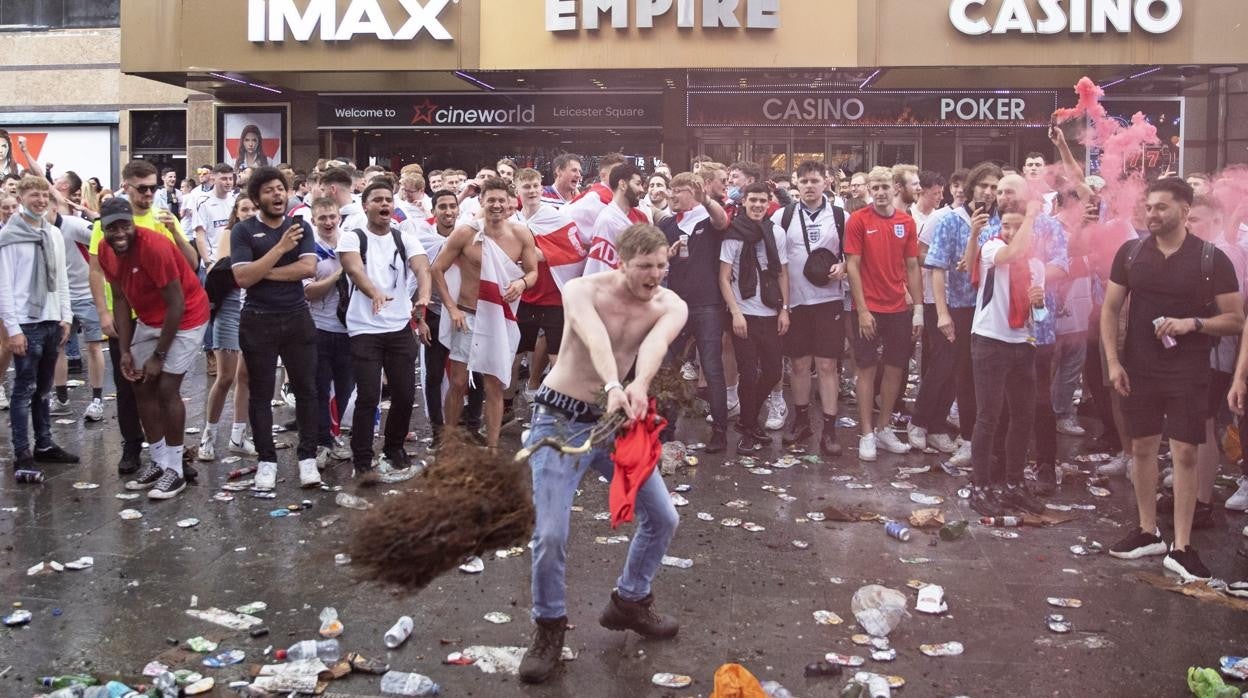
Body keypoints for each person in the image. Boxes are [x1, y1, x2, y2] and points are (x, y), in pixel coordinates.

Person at [518, 224, 687, 685]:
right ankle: (549, 627)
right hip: (558, 420)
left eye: (661, 266)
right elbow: (593, 337)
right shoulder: (581, 289)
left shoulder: (671, 303)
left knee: (663, 517)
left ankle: (630, 600)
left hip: (614, 425)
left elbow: (654, 344)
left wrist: (638, 385)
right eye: (645, 267)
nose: (655, 275)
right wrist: (613, 384)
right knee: (551, 534)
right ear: (621, 263)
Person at [1109, 179, 1242, 581]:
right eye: (1149, 207)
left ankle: (1182, 546)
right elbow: (1110, 308)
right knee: (1143, 449)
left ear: (1185, 212)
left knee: (1185, 453)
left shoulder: (1210, 259)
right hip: (1139, 367)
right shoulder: (1131, 253)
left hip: (1188, 369)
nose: (1152, 215)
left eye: (1162, 208)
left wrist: (1193, 323)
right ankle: (1148, 531)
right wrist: (1114, 362)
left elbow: (1235, 319)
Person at [89, 160, 199, 476]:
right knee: (131, 386)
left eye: (153, 187)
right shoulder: (108, 223)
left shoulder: (163, 218)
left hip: (163, 316)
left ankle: (172, 461)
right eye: (142, 188)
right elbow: (96, 270)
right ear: (127, 187)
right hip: (126, 314)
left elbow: (191, 265)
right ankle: (133, 448)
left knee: (165, 387)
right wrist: (103, 312)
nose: (149, 193)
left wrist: (175, 231)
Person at [98, 199, 210, 500]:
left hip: (186, 316)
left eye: (125, 225)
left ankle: (175, 469)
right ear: (103, 229)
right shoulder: (106, 252)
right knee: (138, 382)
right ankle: (158, 461)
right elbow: (120, 300)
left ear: (134, 224)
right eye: (112, 227)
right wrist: (124, 349)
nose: (119, 233)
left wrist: (159, 356)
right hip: (149, 318)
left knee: (166, 388)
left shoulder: (154, 247)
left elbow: (177, 304)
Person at [230, 166, 321, 491]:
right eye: (269, 190)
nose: (277, 194)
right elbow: (241, 278)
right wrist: (281, 250)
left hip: (297, 316)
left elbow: (308, 268)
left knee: (307, 389)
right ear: (256, 198)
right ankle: (266, 461)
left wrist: (262, 269)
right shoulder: (243, 231)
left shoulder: (301, 226)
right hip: (258, 319)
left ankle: (307, 458)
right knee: (260, 393)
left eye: (280, 188)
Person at [431, 178, 538, 450]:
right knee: (457, 382)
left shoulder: (521, 234)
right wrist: (452, 308)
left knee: (494, 384)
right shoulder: (466, 232)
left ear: (513, 203)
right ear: (482, 202)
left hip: (497, 317)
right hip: (466, 314)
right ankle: (449, 443)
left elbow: (533, 272)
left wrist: (522, 283)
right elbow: (437, 269)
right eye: (491, 200)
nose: (497, 205)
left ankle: (491, 449)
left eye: (502, 200)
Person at [338, 180, 431, 478]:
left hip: (399, 327)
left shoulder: (404, 238)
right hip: (364, 328)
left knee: (404, 394)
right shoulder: (352, 237)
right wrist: (373, 292)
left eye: (388, 200)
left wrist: (424, 297)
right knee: (368, 396)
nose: (384, 205)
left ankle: (394, 450)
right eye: (377, 199)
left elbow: (421, 268)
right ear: (365, 205)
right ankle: (363, 461)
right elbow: (353, 268)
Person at [0, 175, 77, 478]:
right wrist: (13, 329)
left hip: (51, 320)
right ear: (20, 197)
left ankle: (44, 444)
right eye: (34, 195)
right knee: (23, 389)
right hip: (25, 322)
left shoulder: (53, 234)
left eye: (45, 196)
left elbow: (61, 279)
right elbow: (4, 286)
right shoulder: (9, 236)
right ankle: (22, 452)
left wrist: (66, 316)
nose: (41, 201)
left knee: (43, 388)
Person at [844, 166, 922, 461]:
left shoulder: (906, 221)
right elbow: (852, 266)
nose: (879, 192)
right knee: (866, 369)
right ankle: (866, 433)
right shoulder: (858, 220)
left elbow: (912, 266)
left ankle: (883, 427)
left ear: (895, 189)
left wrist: (919, 310)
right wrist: (862, 310)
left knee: (895, 369)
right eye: (874, 187)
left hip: (899, 308)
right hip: (869, 308)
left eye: (884, 187)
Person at [772, 161, 848, 456]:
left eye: (814, 180)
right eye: (803, 181)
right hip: (796, 301)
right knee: (799, 364)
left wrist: (843, 265)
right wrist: (782, 304)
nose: (809, 186)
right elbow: (775, 259)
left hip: (829, 300)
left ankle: (829, 428)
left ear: (826, 182)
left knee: (828, 366)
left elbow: (852, 256)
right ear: (796, 184)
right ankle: (801, 420)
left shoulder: (841, 215)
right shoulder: (783, 215)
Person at [659, 172, 730, 453]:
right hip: (676, 305)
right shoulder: (666, 223)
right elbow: (657, 259)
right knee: (669, 367)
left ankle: (720, 431)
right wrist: (667, 255)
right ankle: (666, 428)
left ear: (693, 193)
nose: (672, 195)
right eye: (671, 190)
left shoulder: (706, 217)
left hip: (708, 305)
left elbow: (722, 221)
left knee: (712, 368)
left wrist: (706, 199)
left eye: (679, 190)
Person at [720, 182, 790, 452]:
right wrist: (735, 313)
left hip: (771, 311)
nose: (758, 205)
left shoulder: (776, 232)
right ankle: (749, 429)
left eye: (763, 200)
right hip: (744, 313)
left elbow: (783, 272)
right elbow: (723, 278)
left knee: (773, 371)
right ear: (744, 202)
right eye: (753, 201)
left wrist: (786, 309)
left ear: (769, 202)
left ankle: (748, 421)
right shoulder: (733, 233)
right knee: (747, 374)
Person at [198, 196, 259, 462]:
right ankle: (207, 438)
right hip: (231, 310)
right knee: (225, 377)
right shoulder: (230, 234)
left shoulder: (264, 234)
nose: (249, 212)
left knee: (245, 377)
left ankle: (237, 436)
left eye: (253, 208)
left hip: (254, 310)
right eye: (244, 209)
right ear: (236, 212)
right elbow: (226, 270)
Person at [301, 196, 355, 467]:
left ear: (339, 217)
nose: (328, 222)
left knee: (345, 387)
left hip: (350, 328)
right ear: (313, 221)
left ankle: (333, 435)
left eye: (332, 217)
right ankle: (322, 440)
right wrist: (338, 275)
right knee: (320, 388)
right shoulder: (309, 249)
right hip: (320, 328)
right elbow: (308, 292)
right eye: (322, 218)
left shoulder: (351, 242)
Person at [583, 164, 649, 276]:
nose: (642, 189)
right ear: (622, 184)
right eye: (637, 184)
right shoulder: (607, 220)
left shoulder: (641, 217)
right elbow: (602, 267)